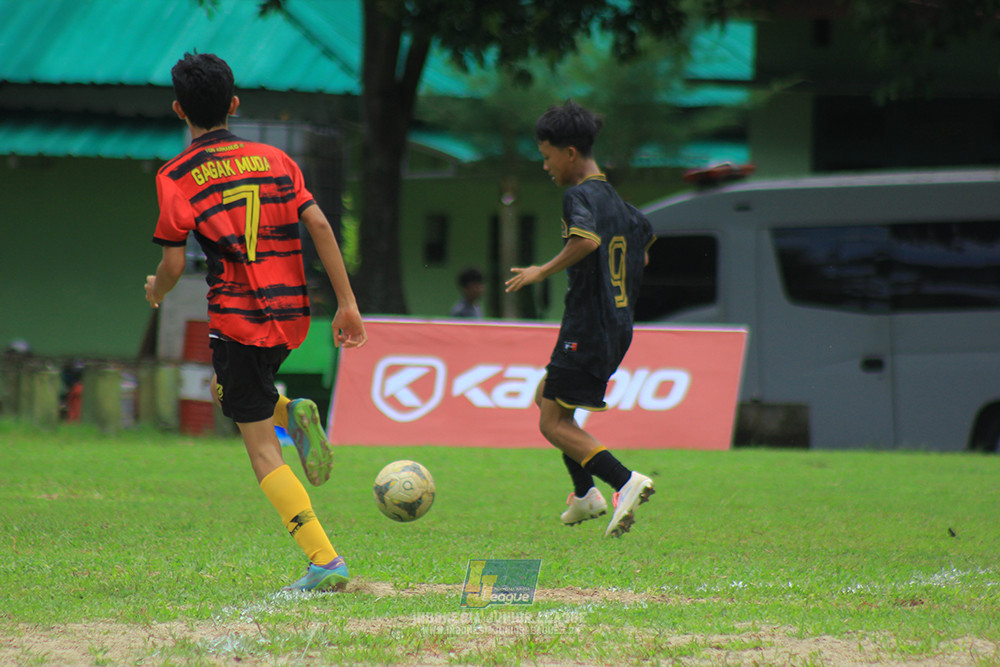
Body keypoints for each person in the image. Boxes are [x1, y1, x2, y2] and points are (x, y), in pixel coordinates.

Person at [144, 53, 367, 591]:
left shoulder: (175, 175)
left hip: (239, 320)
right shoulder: (276, 159)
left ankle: (324, 560)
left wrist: (157, 289)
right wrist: (347, 302)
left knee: (261, 449)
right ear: (235, 104)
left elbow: (172, 264)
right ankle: (291, 412)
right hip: (291, 314)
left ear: (179, 110)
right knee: (227, 389)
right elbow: (320, 225)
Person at [505, 100, 656, 538]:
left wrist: (541, 271)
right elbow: (643, 248)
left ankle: (624, 481)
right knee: (546, 397)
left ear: (569, 153)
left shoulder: (579, 196)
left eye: (547, 156)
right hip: (616, 328)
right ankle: (585, 493)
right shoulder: (622, 206)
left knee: (551, 422)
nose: (545, 166)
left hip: (587, 328)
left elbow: (586, 241)